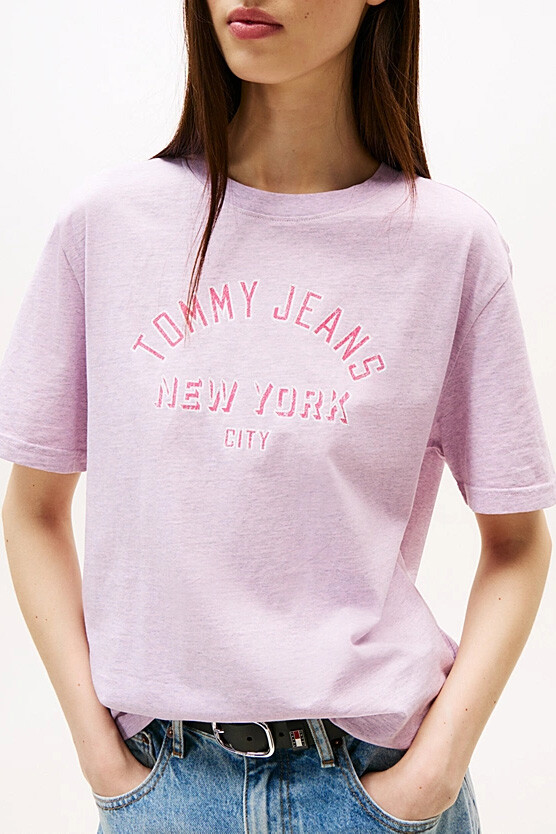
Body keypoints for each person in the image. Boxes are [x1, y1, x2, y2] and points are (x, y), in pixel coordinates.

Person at [1, 1, 554, 832]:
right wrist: (99, 755)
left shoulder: (448, 246)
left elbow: (517, 543)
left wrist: (434, 772)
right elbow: (33, 508)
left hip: (372, 789)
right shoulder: (106, 227)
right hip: (163, 791)